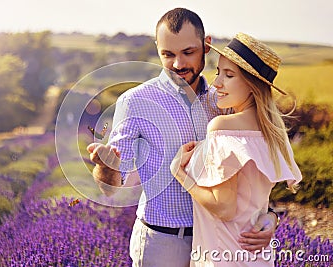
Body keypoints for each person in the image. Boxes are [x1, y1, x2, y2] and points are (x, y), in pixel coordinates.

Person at [87, 8, 279, 267]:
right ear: (157, 49)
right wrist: (106, 166)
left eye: (188, 52)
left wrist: (269, 216)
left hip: (216, 243)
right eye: (168, 54)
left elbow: (251, 176)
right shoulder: (136, 102)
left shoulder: (223, 103)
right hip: (162, 243)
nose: (178, 64)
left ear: (206, 45)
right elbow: (111, 187)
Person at [170, 32, 302, 266]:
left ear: (252, 85)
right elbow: (253, 201)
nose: (217, 83)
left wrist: (180, 174)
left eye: (229, 75)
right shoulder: (273, 132)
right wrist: (272, 218)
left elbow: (225, 208)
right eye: (219, 72)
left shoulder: (222, 127)